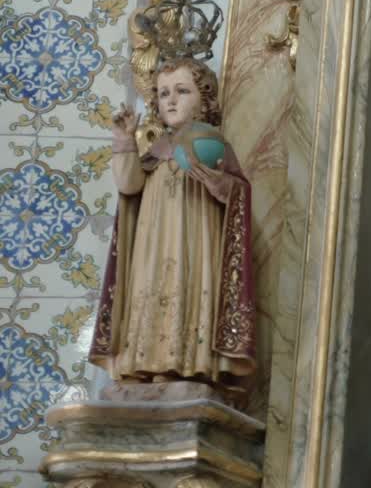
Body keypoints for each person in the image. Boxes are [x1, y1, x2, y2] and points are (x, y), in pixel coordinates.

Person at [90, 57, 255, 395]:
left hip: (195, 240)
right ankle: (143, 363)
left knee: (189, 287)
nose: (171, 100)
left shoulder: (213, 146)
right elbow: (129, 186)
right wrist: (124, 142)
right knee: (149, 292)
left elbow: (237, 195)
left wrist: (218, 183)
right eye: (164, 94)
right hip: (151, 247)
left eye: (182, 91)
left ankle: (189, 363)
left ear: (204, 100)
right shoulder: (155, 150)